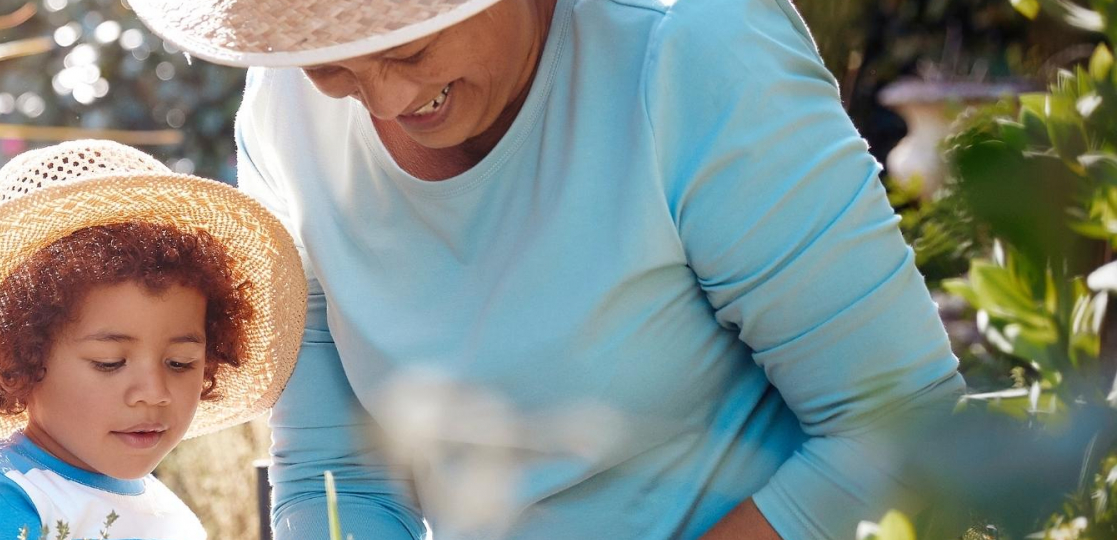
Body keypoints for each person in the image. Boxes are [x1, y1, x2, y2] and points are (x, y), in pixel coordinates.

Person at [126, 0, 969, 538]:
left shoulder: (688, 52)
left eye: (408, 46)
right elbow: (332, 472)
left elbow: (898, 424)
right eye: (336, 62)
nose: (383, 102)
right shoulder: (283, 113)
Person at [0, 140, 307, 538]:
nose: (153, 394)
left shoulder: (170, 515)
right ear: (21, 361)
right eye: (109, 362)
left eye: (180, 362)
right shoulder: (0, 494)